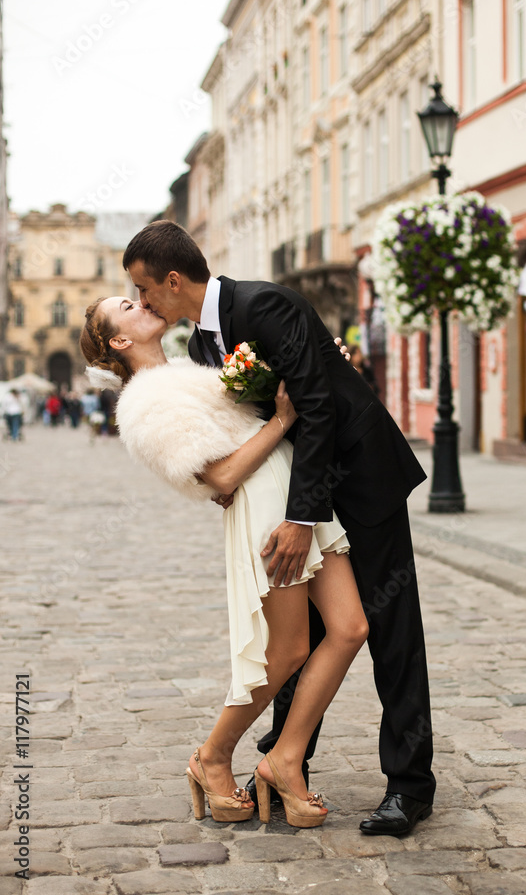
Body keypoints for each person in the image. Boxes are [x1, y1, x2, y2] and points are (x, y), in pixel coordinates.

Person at [121, 220, 435, 836]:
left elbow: (315, 408)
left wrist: (300, 518)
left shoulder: (263, 303)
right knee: (306, 636)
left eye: (144, 289)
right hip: (298, 497)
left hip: (359, 484)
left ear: (174, 280)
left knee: (391, 634)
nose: (145, 301)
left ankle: (409, 787)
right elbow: (249, 427)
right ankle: (286, 760)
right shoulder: (202, 349)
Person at [80, 296, 369, 828]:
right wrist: (283, 418)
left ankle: (283, 758)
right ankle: (213, 756)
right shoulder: (143, 405)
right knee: (287, 652)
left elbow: (252, 412)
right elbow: (222, 477)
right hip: (264, 506)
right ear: (120, 341)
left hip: (298, 495)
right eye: (127, 304)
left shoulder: (188, 369)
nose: (141, 301)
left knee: (350, 628)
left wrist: (320, 365)